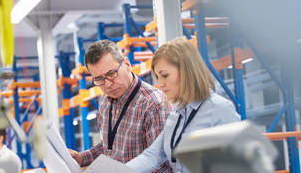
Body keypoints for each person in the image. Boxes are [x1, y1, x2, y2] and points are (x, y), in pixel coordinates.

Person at [126, 37, 241, 172]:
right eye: (158, 77)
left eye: (165, 75)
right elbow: (152, 156)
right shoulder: (176, 115)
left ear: (187, 71)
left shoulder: (220, 109)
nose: (160, 84)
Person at [69, 40, 172, 172]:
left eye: (111, 74)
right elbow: (109, 147)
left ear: (127, 64)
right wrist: (82, 158)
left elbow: (163, 165)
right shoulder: (106, 103)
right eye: (99, 79)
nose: (107, 84)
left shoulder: (154, 105)